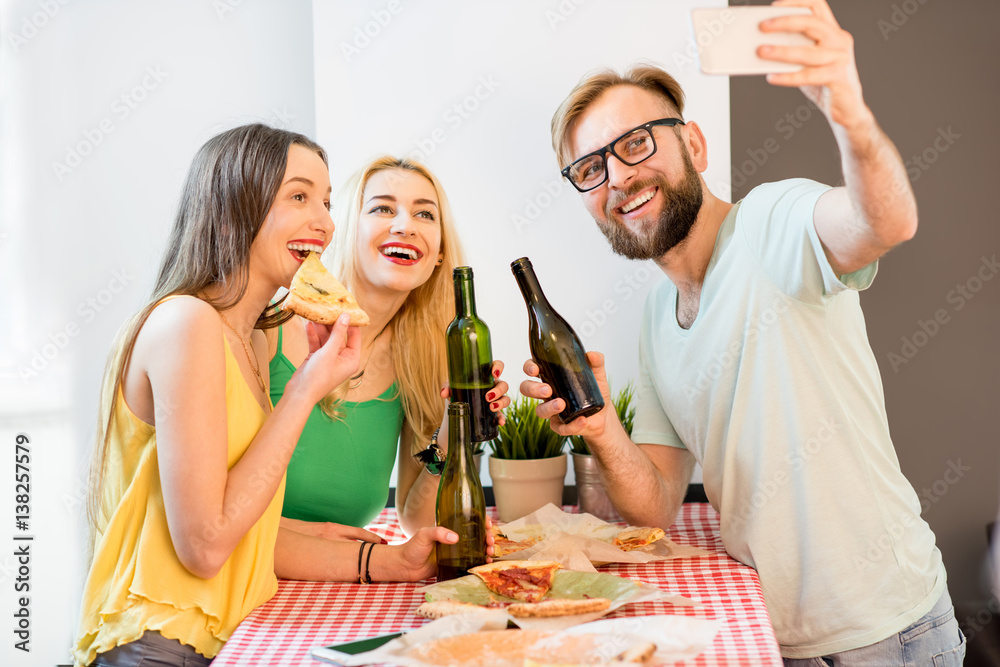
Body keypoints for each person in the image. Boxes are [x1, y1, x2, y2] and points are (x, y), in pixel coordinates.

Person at [522, 1, 965, 664]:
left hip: (886, 632)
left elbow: (887, 222)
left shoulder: (768, 225)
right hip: (771, 633)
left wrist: (848, 107)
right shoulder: (655, 316)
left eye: (635, 143)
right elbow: (654, 507)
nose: (617, 176)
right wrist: (599, 428)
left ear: (693, 145)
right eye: (590, 169)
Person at [74, 125, 463, 667]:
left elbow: (248, 528)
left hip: (235, 631)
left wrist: (387, 562)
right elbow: (207, 546)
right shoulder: (188, 323)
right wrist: (307, 387)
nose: (324, 222)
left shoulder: (240, 336)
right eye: (299, 197)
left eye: (325, 202)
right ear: (236, 206)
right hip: (162, 644)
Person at [266, 154, 509, 576]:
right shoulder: (269, 327)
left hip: (324, 589)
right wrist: (302, 535)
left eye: (424, 214)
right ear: (345, 232)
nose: (405, 225)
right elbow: (206, 511)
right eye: (381, 208)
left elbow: (417, 520)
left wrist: (454, 437)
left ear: (438, 255)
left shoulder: (420, 360)